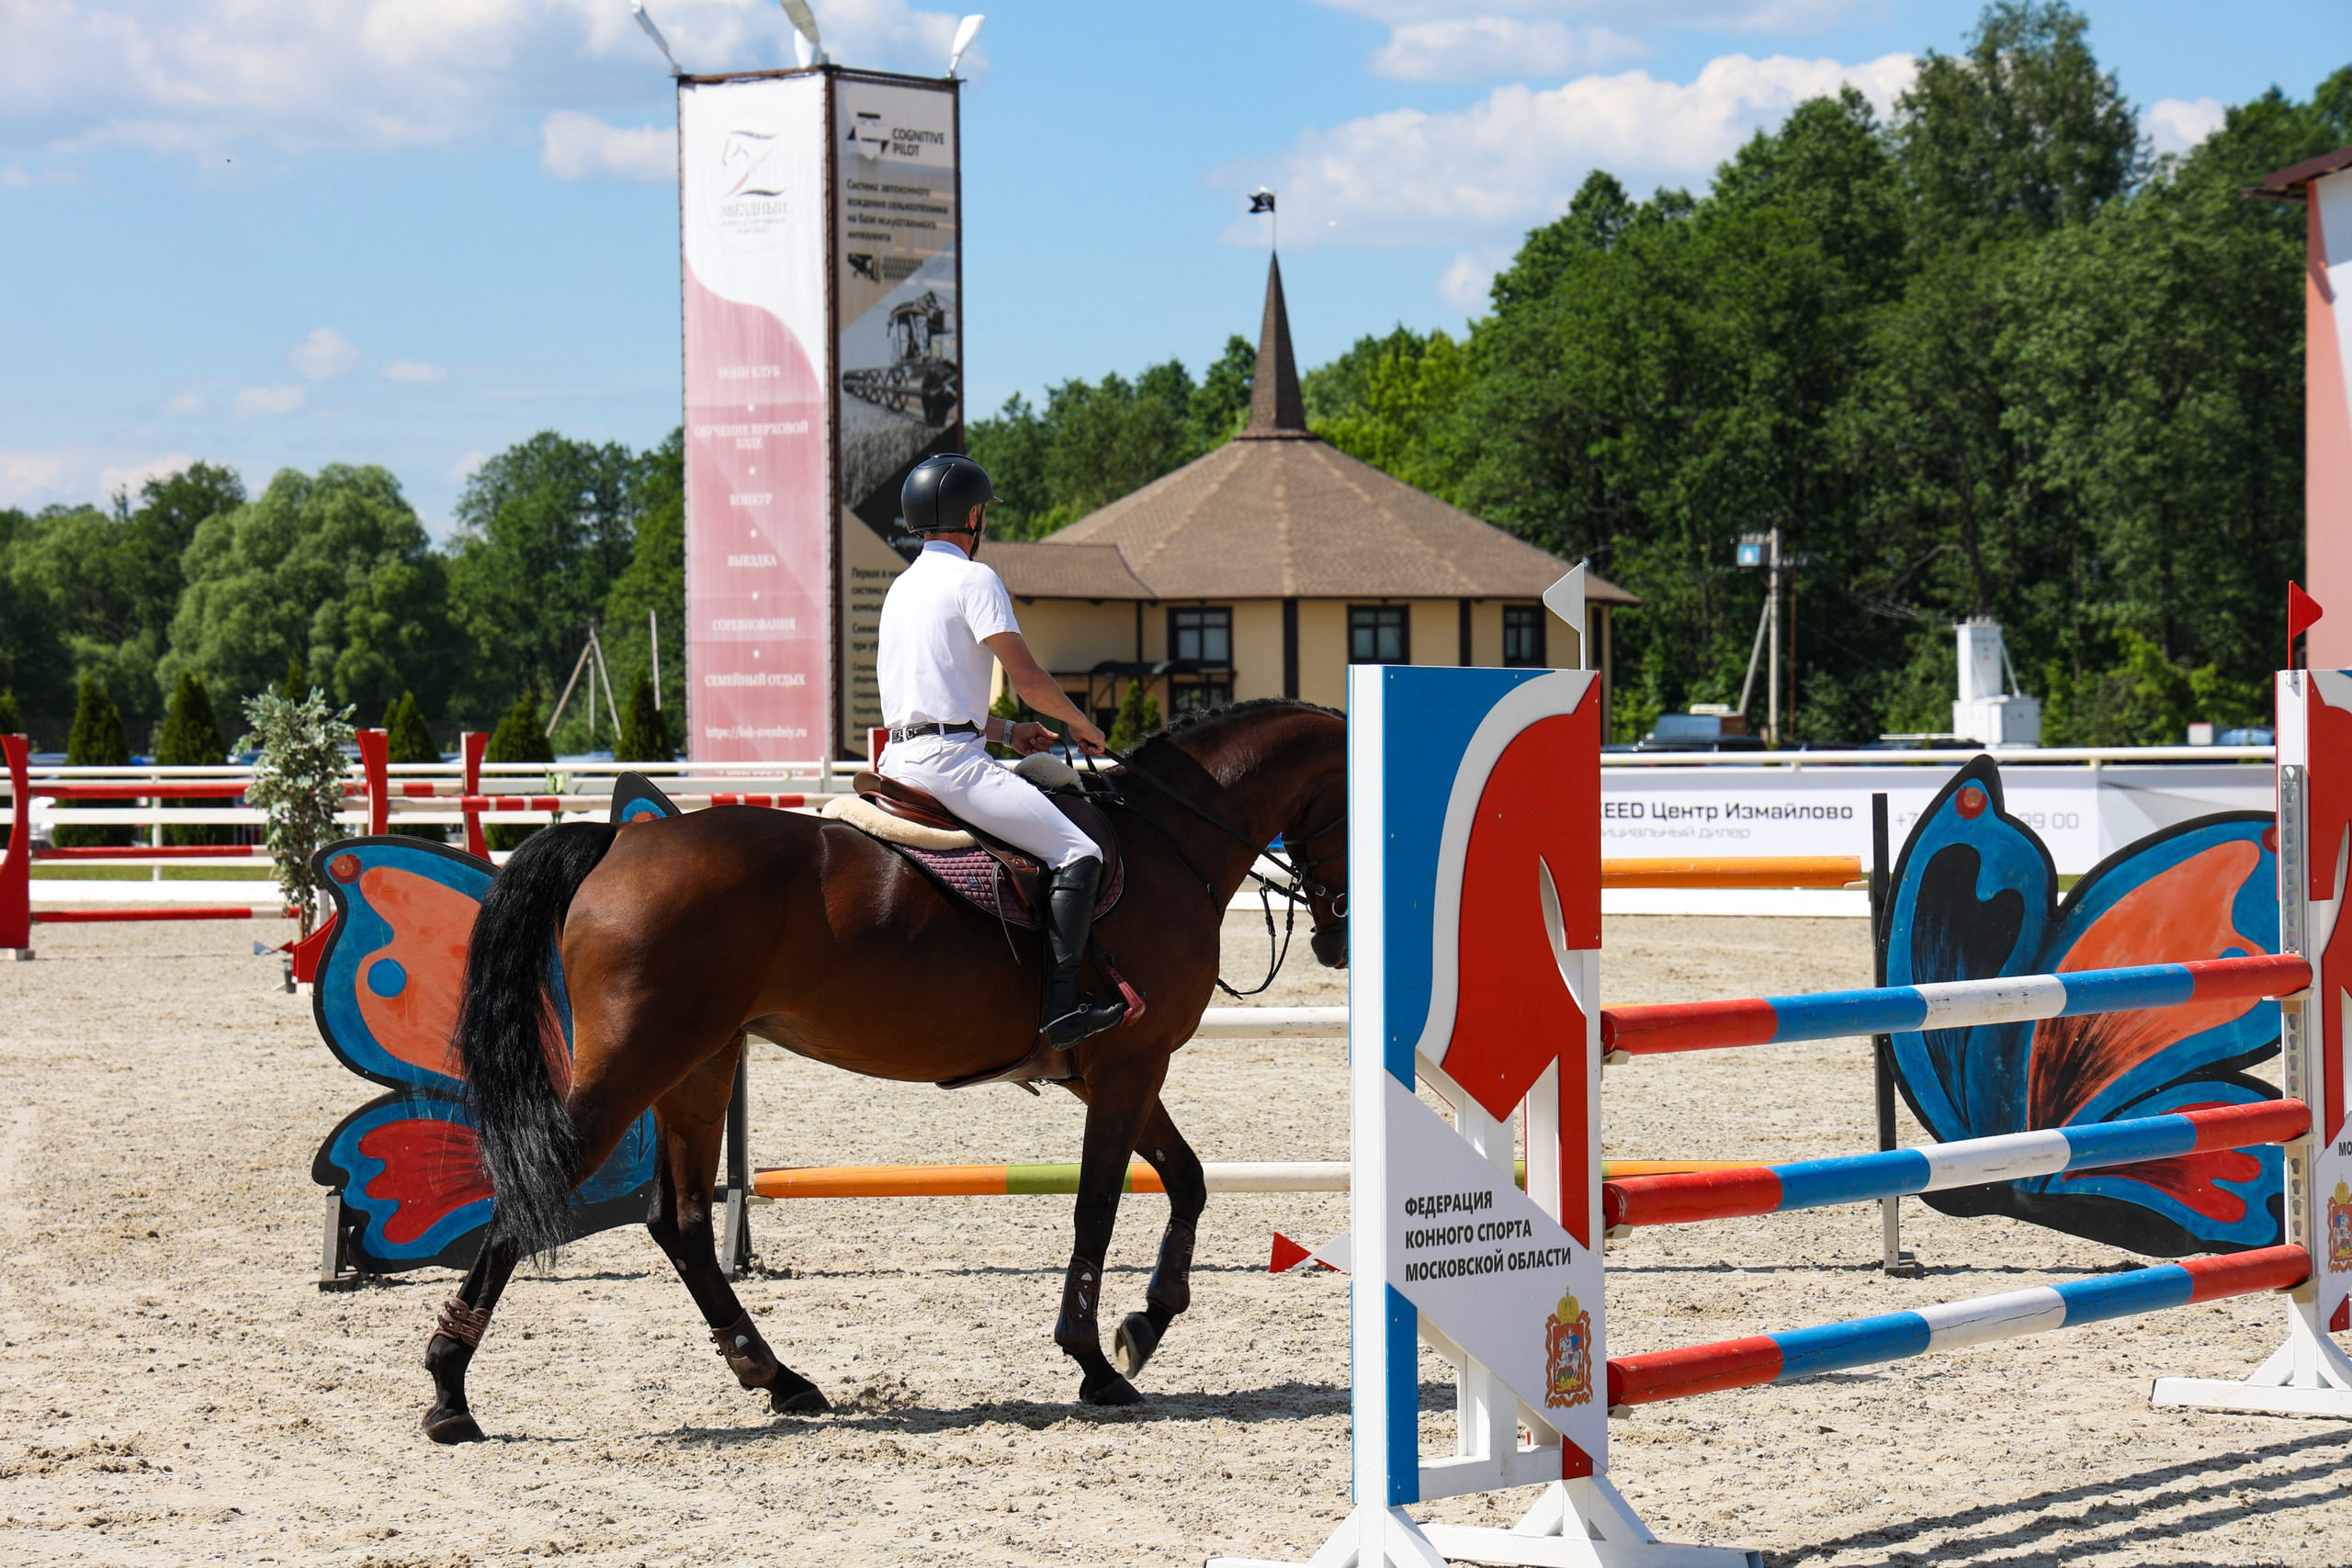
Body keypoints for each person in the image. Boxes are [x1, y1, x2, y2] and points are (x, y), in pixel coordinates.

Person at [875, 453, 1129, 1046]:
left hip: (898, 758)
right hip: (951, 768)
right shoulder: (973, 579)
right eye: (983, 512)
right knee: (1078, 851)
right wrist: (1082, 725)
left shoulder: (901, 587)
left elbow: (930, 702)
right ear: (972, 515)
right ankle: (1063, 1009)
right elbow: (1031, 682)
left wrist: (1010, 734)